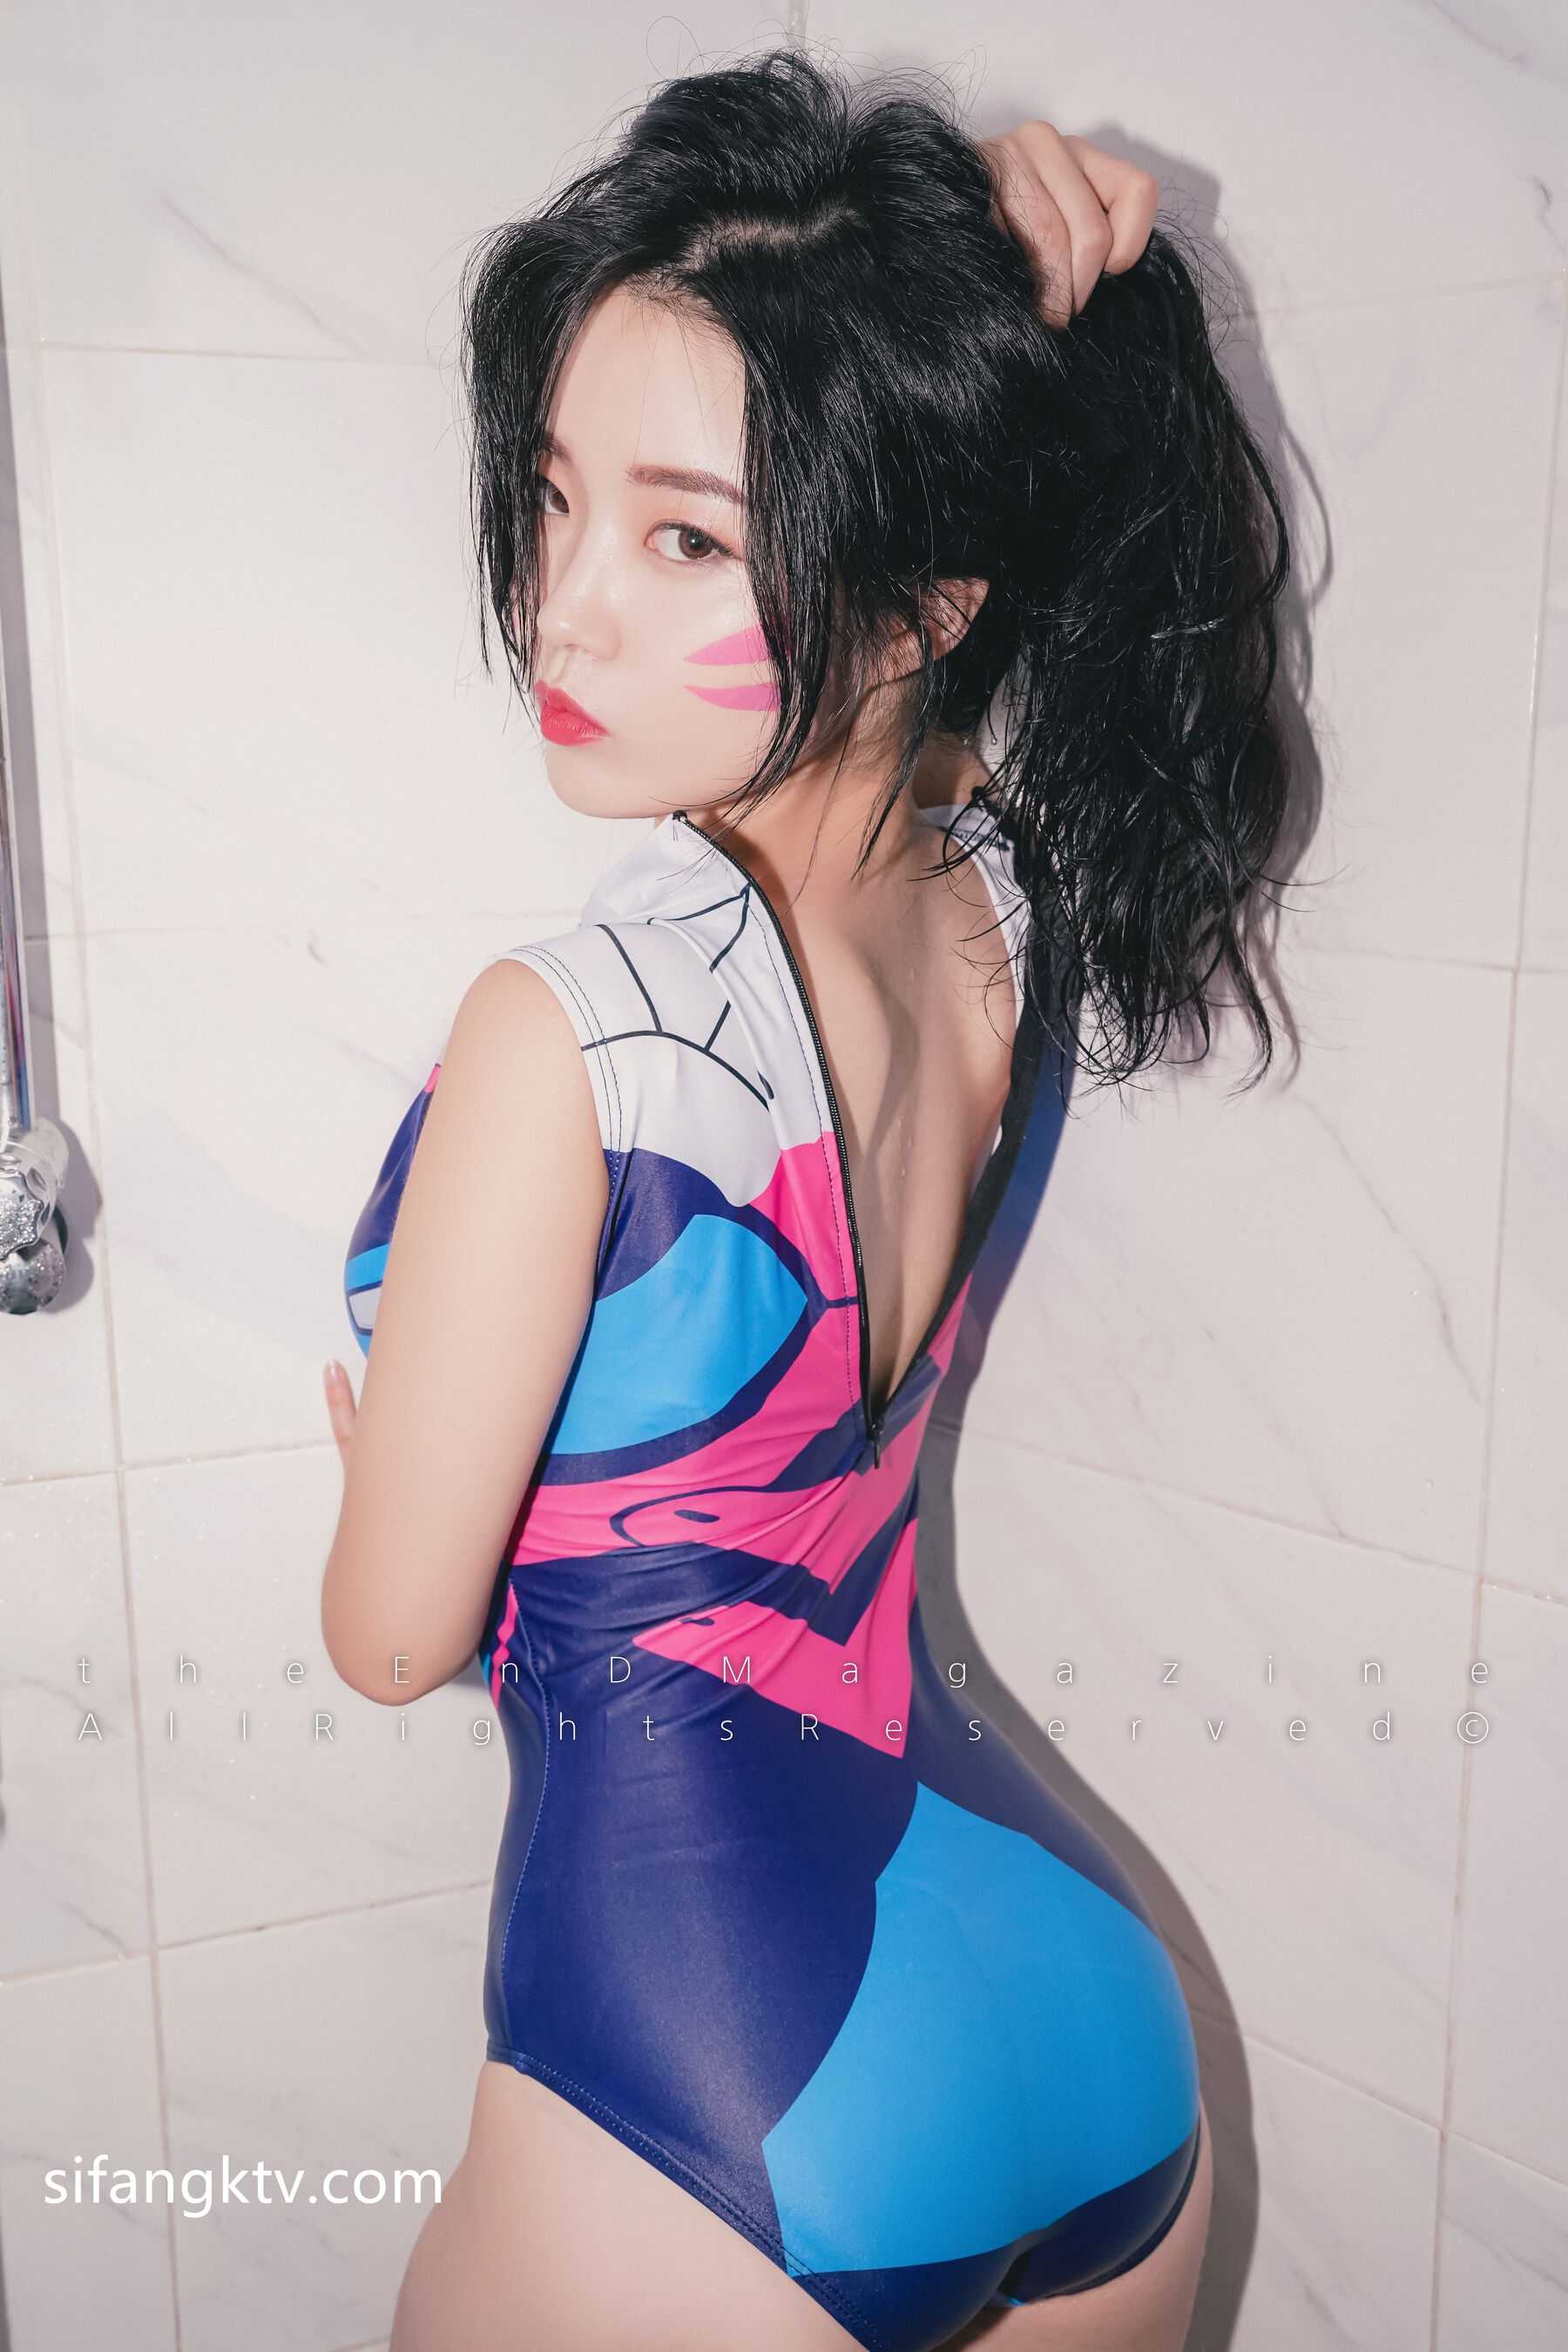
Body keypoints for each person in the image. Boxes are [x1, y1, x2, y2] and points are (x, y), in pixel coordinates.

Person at [321, 51, 1289, 2352]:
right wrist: (945, 298)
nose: (565, 611)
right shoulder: (1000, 912)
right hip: (1083, 2032)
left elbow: (393, 1637)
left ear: (929, 591)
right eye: (556, 500)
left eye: (683, 538)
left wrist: (395, 1465)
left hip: (716, 2092)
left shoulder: (566, 1031)